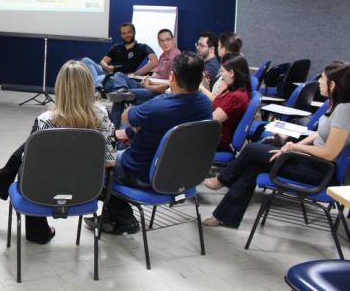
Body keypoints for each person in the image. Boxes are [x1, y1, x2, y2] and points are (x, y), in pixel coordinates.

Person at [0, 60, 116, 244]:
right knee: (30, 150)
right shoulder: (103, 117)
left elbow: (31, 165)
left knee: (27, 162)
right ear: (89, 87)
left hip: (45, 191)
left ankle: (36, 229)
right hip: (88, 190)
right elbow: (110, 162)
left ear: (60, 87)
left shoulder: (45, 121)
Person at [202, 61, 350, 228]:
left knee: (251, 150)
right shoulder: (335, 105)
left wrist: (294, 148)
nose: (319, 82)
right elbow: (318, 134)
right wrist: (290, 145)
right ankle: (223, 217)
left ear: (334, 85)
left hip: (319, 171)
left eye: (322, 79)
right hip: (310, 161)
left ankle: (222, 179)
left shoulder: (344, 110)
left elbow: (329, 153)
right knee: (253, 166)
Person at [103, 52, 213, 234]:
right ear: (201, 78)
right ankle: (111, 219)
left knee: (98, 166)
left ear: (173, 76)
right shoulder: (204, 104)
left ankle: (122, 218)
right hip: (184, 175)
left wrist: (134, 124)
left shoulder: (157, 107)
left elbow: (126, 116)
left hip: (143, 174)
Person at [107, 29, 181, 127]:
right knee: (119, 75)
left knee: (121, 97)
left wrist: (148, 86)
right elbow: (157, 75)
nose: (165, 43)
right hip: (148, 84)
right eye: (161, 40)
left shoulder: (177, 58)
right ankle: (120, 91)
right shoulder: (163, 55)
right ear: (158, 42)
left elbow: (169, 88)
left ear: (173, 40)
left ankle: (113, 128)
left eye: (167, 39)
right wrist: (147, 79)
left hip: (156, 92)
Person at [82, 22, 157, 92]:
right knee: (85, 60)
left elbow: (154, 61)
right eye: (124, 33)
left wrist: (136, 73)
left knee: (99, 78)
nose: (127, 35)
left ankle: (96, 85)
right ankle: (97, 85)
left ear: (134, 32)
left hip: (119, 77)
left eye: (129, 32)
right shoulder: (117, 47)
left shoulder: (142, 47)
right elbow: (103, 61)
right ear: (121, 35)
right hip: (108, 72)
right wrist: (107, 67)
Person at [199, 54, 251, 151]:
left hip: (215, 139)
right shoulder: (234, 91)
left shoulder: (236, 97)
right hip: (214, 134)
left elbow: (211, 120)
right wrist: (206, 85)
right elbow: (217, 104)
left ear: (231, 73)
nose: (221, 75)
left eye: (222, 71)